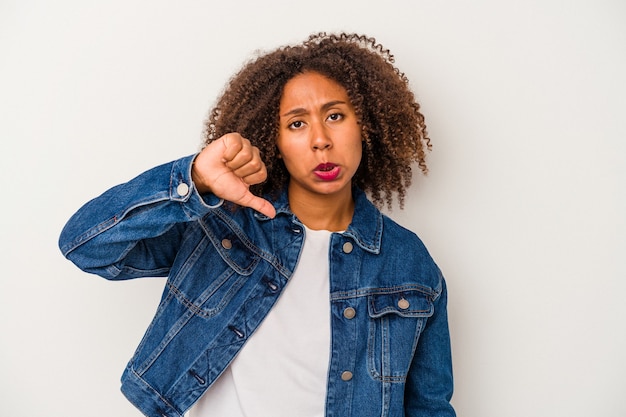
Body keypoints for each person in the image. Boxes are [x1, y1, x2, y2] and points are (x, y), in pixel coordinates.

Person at [59, 32, 455, 417]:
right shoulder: (224, 224)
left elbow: (430, 407)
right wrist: (193, 177)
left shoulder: (408, 261)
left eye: (335, 116)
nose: (321, 140)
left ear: (365, 125)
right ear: (274, 141)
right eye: (297, 124)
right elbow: (86, 245)